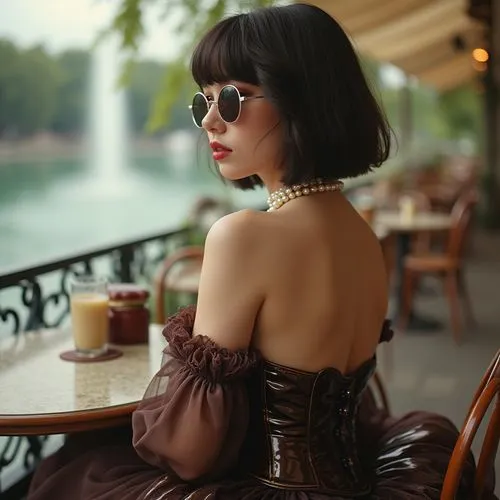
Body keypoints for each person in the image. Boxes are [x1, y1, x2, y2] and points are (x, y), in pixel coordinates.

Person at [28, 4, 486, 499]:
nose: (210, 123)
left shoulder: (242, 236)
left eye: (231, 98)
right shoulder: (361, 232)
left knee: (73, 466)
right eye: (203, 103)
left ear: (302, 99)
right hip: (356, 480)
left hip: (274, 488)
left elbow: (191, 448)